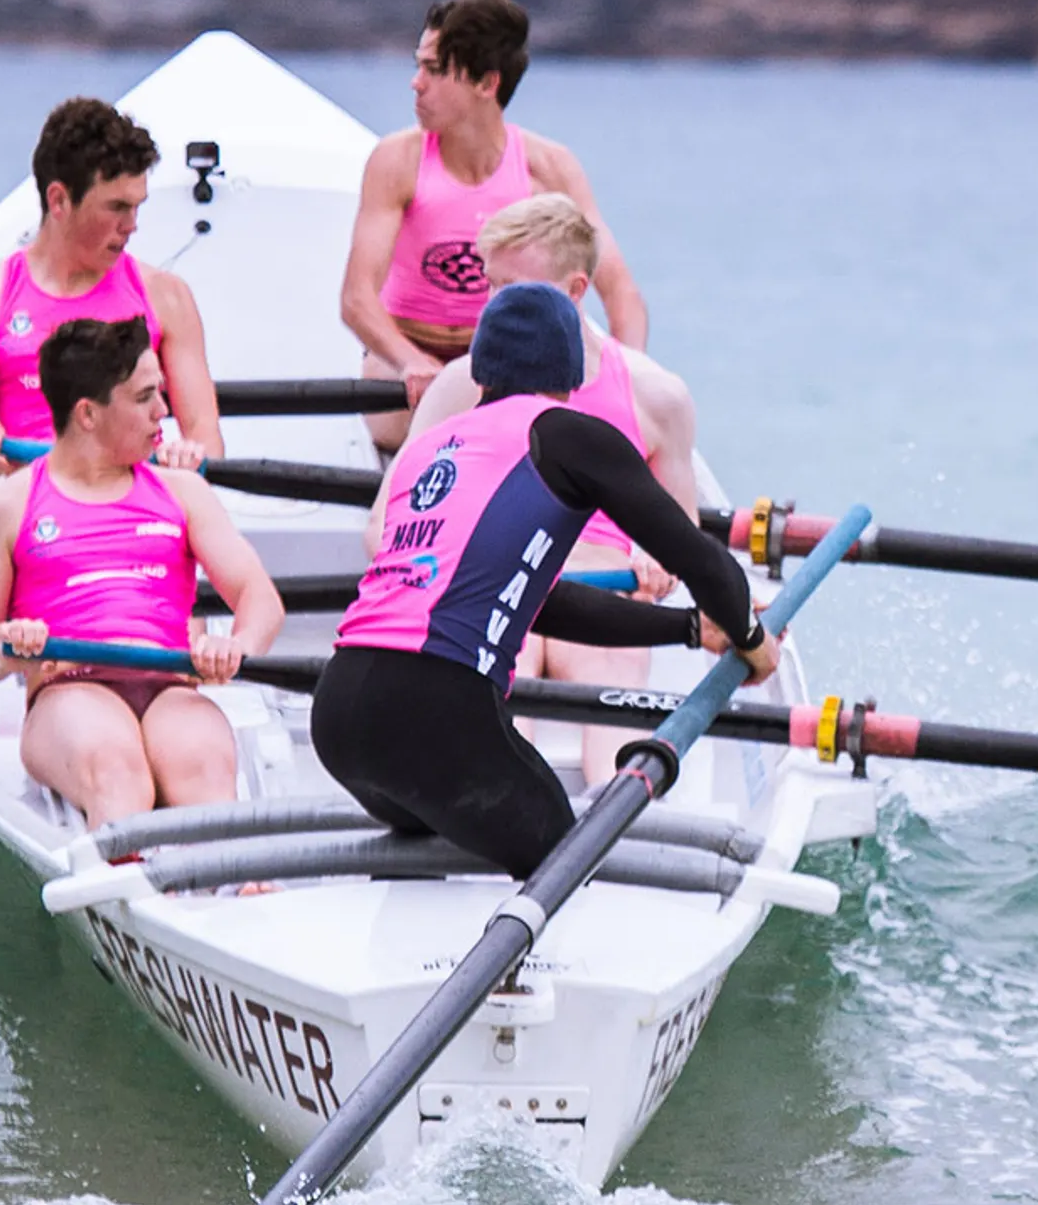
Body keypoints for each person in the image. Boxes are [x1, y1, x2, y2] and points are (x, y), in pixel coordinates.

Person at [311, 283, 777, 881]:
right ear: (573, 376)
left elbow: (536, 603)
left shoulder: (428, 449)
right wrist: (749, 635)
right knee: (565, 861)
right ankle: (505, 974)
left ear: (478, 371)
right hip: (433, 707)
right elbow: (703, 561)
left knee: (447, 828)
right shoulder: (565, 434)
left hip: (340, 713)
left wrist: (689, 629)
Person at [381, 191, 701, 784]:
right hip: (498, 586)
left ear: (576, 291)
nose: (489, 309)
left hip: (605, 595)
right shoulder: (460, 385)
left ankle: (617, 817)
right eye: (489, 285)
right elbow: (384, 526)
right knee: (486, 721)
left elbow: (681, 537)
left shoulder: (656, 395)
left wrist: (654, 560)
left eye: (510, 290)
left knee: (614, 738)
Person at [0, 315, 282, 830]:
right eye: (145, 397)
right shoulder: (7, 508)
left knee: (206, 768)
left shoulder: (182, 491)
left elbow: (258, 595)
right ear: (88, 414)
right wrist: (7, 652)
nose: (163, 412)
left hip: (170, 686)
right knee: (119, 772)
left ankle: (242, 891)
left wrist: (239, 646)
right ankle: (130, 889)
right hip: (69, 689)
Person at [339, 0, 649, 452]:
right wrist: (411, 363)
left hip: (512, 352)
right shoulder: (396, 161)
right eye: (417, 65)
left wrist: (628, 380)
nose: (415, 84)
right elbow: (357, 299)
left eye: (435, 70)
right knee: (404, 421)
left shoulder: (549, 168)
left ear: (487, 84)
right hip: (406, 356)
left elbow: (621, 293)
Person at [0, 96, 224, 492]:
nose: (131, 226)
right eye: (116, 207)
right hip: (37, 519)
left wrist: (190, 457)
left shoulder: (167, 299)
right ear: (59, 200)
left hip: (138, 515)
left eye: (137, 207)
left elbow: (208, 441)